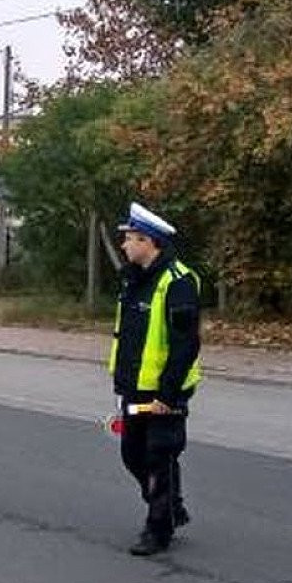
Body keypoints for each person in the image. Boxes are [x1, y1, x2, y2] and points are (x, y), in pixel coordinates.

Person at [110, 203, 202, 556]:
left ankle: (158, 527)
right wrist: (121, 383)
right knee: (132, 453)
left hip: (166, 392)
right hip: (134, 386)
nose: (124, 245)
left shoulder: (178, 283)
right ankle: (171, 505)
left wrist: (168, 392)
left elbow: (185, 343)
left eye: (130, 239)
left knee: (158, 455)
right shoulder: (134, 279)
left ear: (149, 242)